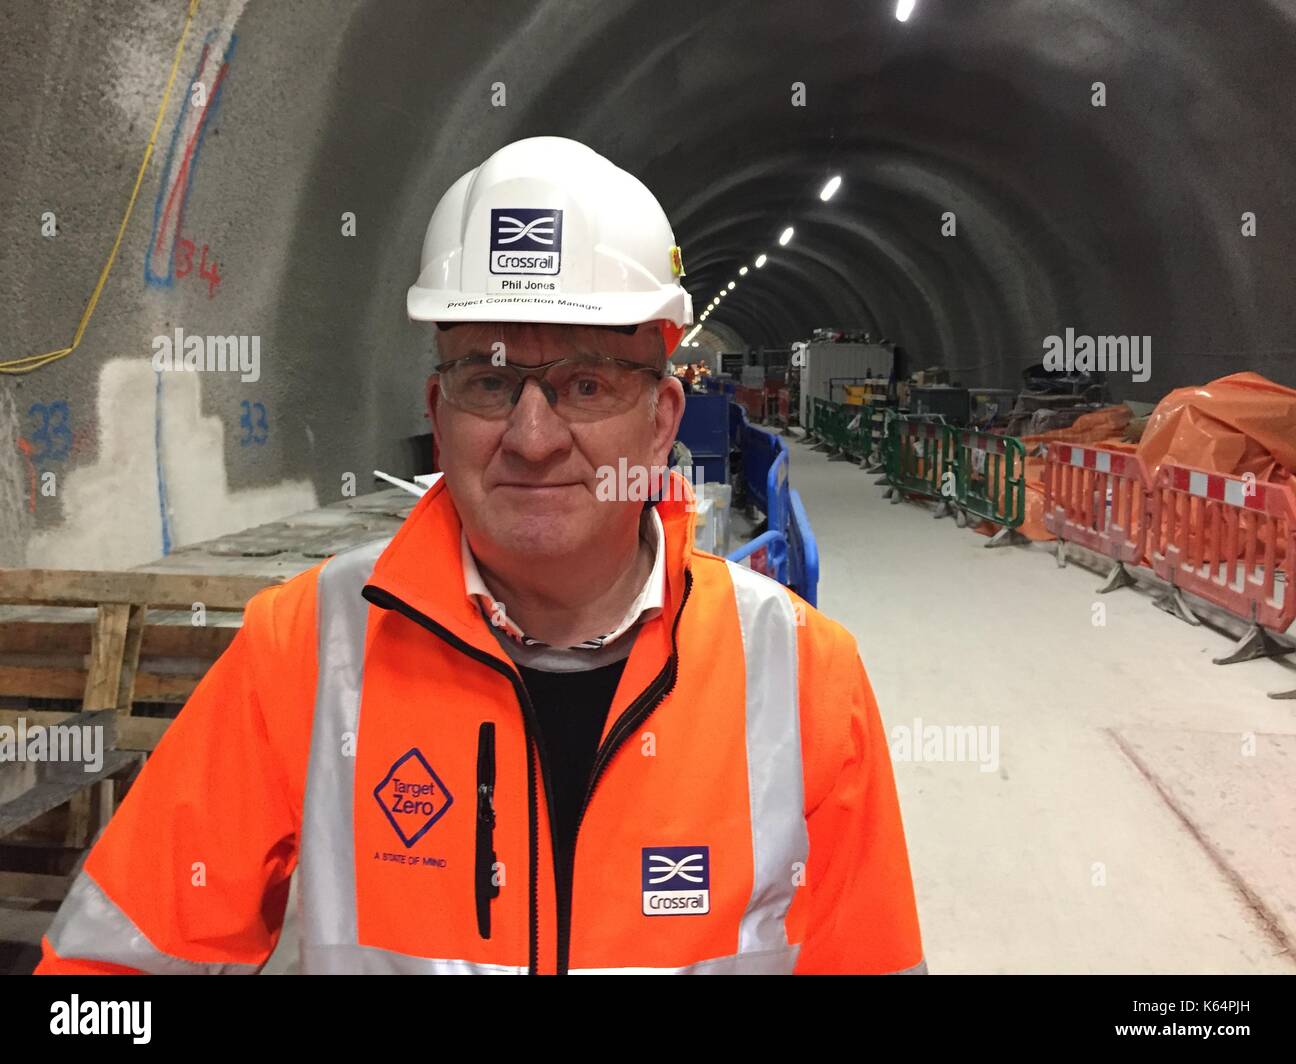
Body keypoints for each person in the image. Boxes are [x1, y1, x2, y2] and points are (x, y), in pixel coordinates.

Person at [37, 136, 924, 975]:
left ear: (661, 420)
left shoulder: (803, 680)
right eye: (490, 382)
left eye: (585, 384)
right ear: (438, 410)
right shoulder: (306, 651)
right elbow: (104, 978)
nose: (532, 439)